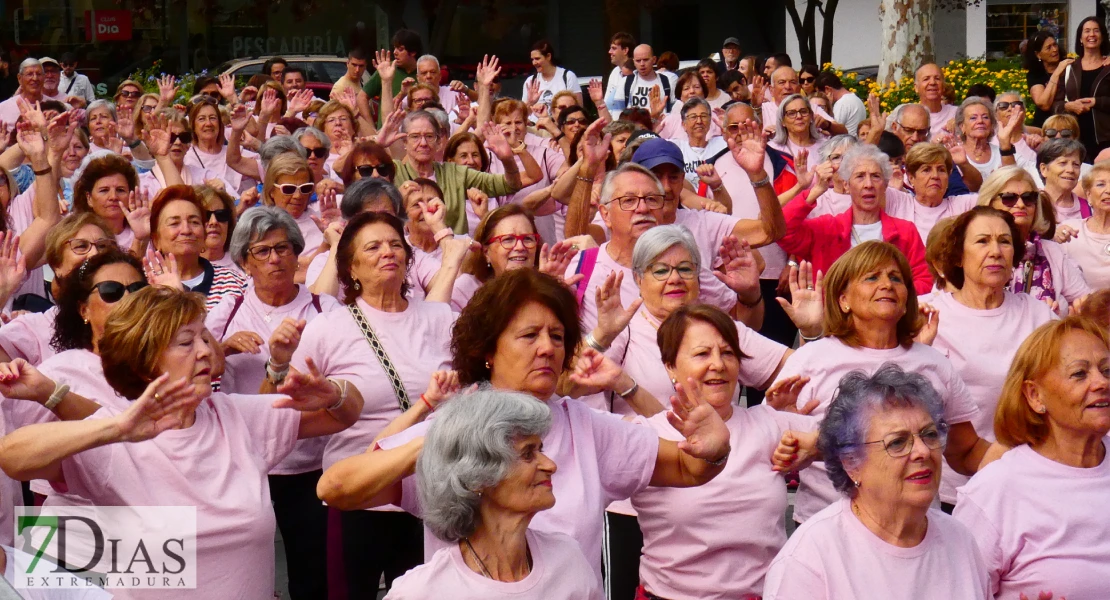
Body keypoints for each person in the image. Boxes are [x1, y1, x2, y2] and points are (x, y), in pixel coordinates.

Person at [317, 268, 732, 587]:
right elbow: (336, 489)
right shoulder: (449, 427)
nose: (548, 347)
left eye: (557, 335)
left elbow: (688, 467)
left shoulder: (587, 427)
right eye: (529, 334)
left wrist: (715, 448)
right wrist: (442, 440)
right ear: (487, 352)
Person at [0, 284, 362, 600]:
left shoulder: (237, 416)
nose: (204, 351)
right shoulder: (114, 436)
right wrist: (115, 428)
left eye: (204, 337)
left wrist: (334, 393)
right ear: (144, 363)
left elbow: (345, 414)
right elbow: (13, 457)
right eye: (186, 342)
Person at [275, 211, 456, 595]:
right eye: (372, 247)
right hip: (358, 497)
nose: (387, 252)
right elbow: (285, 402)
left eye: (395, 244)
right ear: (350, 268)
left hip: (430, 494)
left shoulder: (441, 318)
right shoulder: (329, 327)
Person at [770, 241, 991, 524]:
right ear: (843, 300)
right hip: (828, 528)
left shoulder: (934, 362)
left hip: (918, 527)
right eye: (872, 277)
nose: (886, 284)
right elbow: (771, 447)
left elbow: (967, 450)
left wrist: (1029, 458)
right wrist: (781, 429)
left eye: (895, 278)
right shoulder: (810, 359)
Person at [763, 364, 991, 599]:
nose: (922, 451)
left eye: (930, 434)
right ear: (852, 463)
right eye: (897, 442)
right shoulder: (810, 559)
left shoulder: (960, 540)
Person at [206, 206, 341, 600]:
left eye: (283, 248)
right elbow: (195, 364)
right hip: (247, 461)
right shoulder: (228, 310)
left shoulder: (323, 309)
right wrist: (223, 348)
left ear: (297, 253)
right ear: (245, 261)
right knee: (244, 571)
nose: (275, 259)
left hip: (310, 461)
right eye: (262, 251)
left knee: (311, 571)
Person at [384, 389, 603, 599]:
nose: (550, 465)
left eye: (541, 450)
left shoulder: (568, 561)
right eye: (528, 454)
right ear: (477, 477)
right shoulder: (424, 592)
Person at [955, 316, 1110, 599]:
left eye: (1107, 370)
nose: (1101, 382)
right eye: (1079, 374)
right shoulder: (997, 490)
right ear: (1035, 395)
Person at [927, 206, 1056, 508]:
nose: (996, 251)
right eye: (982, 241)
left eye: (1005, 241)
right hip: (956, 487)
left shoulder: (1037, 314)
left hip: (1030, 480)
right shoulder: (931, 317)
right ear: (959, 256)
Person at [779, 144, 933, 294]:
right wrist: (815, 191)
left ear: (886, 185)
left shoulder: (905, 231)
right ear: (846, 185)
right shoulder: (826, 228)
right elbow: (782, 231)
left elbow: (924, 280)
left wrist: (892, 294)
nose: (868, 184)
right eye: (860, 176)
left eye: (876, 176)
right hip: (837, 318)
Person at [977, 165, 1091, 313]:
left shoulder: (1051, 251)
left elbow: (1085, 300)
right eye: (1009, 198)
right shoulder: (976, 251)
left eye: (1028, 198)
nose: (1020, 205)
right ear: (989, 203)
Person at [393, 110, 525, 234]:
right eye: (415, 137)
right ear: (405, 141)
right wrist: (379, 143)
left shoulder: (455, 173)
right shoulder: (393, 171)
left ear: (438, 141)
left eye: (429, 136)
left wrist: (507, 159)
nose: (423, 143)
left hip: (455, 252)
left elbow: (511, 185)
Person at [148, 184, 247, 309]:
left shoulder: (235, 283)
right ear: (156, 239)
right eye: (174, 223)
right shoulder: (144, 283)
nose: (186, 230)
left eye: (194, 222)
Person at [73, 154, 154, 255]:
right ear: (89, 198)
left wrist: (142, 237)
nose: (113, 197)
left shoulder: (148, 231)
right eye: (104, 190)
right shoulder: (78, 236)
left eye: (120, 190)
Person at [1054, 17, 1110, 160]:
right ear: (1080, 38)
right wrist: (1068, 106)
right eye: (1087, 31)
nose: (1092, 34)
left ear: (1102, 37)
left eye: (1096, 31)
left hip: (1105, 139)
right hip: (1074, 138)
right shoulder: (1069, 68)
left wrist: (1096, 102)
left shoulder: (1109, 67)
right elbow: (1055, 104)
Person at [261, 153, 326, 259]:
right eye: (289, 189)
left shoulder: (323, 220)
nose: (298, 196)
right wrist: (327, 243)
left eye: (305, 188)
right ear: (271, 190)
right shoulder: (261, 227)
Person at [1059, 162, 1110, 288]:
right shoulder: (1070, 230)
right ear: (1089, 195)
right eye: (1100, 184)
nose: (1108, 190)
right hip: (1081, 306)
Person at [957, 96, 1024, 180]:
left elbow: (1014, 179)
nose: (980, 121)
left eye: (985, 117)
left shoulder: (1003, 152)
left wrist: (1005, 147)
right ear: (962, 126)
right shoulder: (954, 153)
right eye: (973, 118)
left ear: (992, 125)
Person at [364, 29, 422, 124]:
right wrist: (370, 126)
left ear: (413, 52)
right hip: (386, 132)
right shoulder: (387, 69)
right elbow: (362, 97)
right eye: (394, 48)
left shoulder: (424, 73)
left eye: (400, 49)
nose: (395, 52)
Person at [674, 98, 727, 186]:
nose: (699, 121)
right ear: (684, 125)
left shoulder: (722, 144)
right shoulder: (676, 148)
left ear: (710, 121)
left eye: (703, 116)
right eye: (693, 117)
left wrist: (728, 128)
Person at [610, 44, 673, 116]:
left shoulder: (667, 82)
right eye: (638, 61)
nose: (642, 64)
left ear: (654, 60)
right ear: (633, 62)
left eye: (646, 60)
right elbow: (617, 115)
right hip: (632, 126)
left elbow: (675, 113)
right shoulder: (625, 82)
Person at [1025, 31, 1070, 128]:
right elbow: (1044, 104)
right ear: (1038, 55)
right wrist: (1057, 72)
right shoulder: (1035, 75)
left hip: (1070, 123)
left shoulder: (1069, 66)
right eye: (1048, 47)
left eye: (1055, 45)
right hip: (1045, 127)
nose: (1054, 50)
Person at [1037, 137, 1088, 222]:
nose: (1070, 170)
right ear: (1044, 169)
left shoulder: (1090, 209)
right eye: (1063, 163)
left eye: (1076, 164)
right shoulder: (1031, 203)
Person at [769, 94, 826, 170]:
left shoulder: (826, 146)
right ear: (783, 121)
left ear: (811, 116)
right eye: (791, 113)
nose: (799, 116)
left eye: (803, 111)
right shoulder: (773, 149)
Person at [523, 40, 581, 111]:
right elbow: (523, 115)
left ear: (548, 56)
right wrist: (530, 103)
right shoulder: (530, 81)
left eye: (537, 59)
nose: (534, 63)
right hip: (536, 122)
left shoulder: (568, 76)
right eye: (532, 59)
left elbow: (579, 109)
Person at [195, 184, 238, 271]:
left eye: (221, 215)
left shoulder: (244, 265)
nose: (214, 222)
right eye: (205, 215)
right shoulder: (176, 267)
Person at [915, 63, 958, 140]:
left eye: (937, 78)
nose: (932, 83)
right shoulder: (907, 114)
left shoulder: (957, 113)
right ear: (916, 87)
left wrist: (960, 121)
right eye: (926, 79)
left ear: (944, 86)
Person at [816, 71, 866, 137]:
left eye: (820, 93)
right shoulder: (855, 99)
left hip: (847, 143)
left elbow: (832, 129)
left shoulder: (841, 104)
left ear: (827, 89)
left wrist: (828, 107)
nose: (821, 97)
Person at [0, 59, 44, 127]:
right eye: (29, 74)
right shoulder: (3, 108)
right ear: (19, 78)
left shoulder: (56, 106)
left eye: (39, 74)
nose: (35, 78)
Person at [604, 32, 637, 114]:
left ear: (625, 50)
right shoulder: (615, 72)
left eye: (614, 48)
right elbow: (607, 103)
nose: (609, 52)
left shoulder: (637, 72)